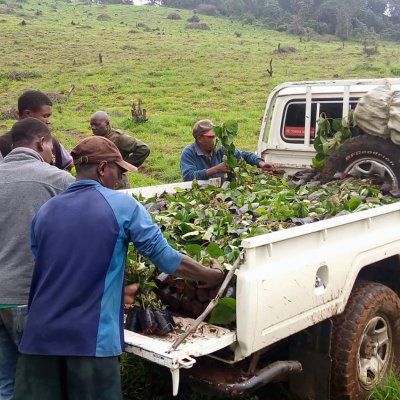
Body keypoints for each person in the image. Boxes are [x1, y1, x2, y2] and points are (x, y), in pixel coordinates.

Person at [14, 136, 223, 400]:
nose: (120, 177)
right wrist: (212, 275)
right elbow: (169, 260)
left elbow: (53, 267)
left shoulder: (45, 210)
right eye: (119, 170)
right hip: (89, 341)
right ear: (103, 169)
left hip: (38, 340)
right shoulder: (122, 205)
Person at [0, 118, 75, 400]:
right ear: (41, 143)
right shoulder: (57, 180)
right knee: (44, 383)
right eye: (51, 149)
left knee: (6, 382)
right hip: (27, 295)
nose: (53, 156)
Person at [180, 119, 276, 182]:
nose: (215, 140)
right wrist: (216, 169)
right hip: (199, 192)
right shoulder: (189, 153)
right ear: (199, 138)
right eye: (211, 137)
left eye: (216, 136)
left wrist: (261, 163)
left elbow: (244, 155)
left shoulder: (220, 149)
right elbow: (189, 176)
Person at [0, 90, 73, 170]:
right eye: (45, 116)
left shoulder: (53, 142)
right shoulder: (3, 145)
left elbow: (72, 167)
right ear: (27, 114)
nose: (49, 121)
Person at [90, 110, 150, 189]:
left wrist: (122, 167)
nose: (93, 128)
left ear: (107, 124)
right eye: (92, 125)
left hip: (117, 184)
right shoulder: (97, 137)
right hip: (101, 183)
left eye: (97, 125)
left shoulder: (119, 138)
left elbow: (144, 149)